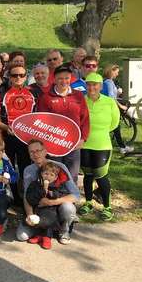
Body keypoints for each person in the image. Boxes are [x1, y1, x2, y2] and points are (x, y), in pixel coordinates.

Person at [16, 139, 79, 245]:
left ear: (45, 151)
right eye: (32, 152)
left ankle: (63, 231)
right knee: (21, 236)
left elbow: (75, 195)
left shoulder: (59, 167)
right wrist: (30, 215)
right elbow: (27, 196)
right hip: (38, 209)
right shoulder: (28, 170)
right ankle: (41, 230)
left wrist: (52, 202)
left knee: (68, 208)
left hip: (56, 207)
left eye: (38, 150)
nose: (35, 154)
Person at [0, 64, 37, 203]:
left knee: (26, 168)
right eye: (14, 75)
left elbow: (40, 116)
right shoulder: (2, 94)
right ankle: (14, 197)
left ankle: (27, 197)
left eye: (21, 75)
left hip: (27, 139)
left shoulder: (33, 93)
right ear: (9, 77)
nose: (18, 78)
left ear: (26, 77)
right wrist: (5, 127)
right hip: (9, 137)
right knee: (9, 167)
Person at [37, 65, 90, 182]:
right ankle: (55, 198)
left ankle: (71, 199)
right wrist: (46, 142)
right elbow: (42, 122)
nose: (64, 81)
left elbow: (85, 118)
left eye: (67, 78)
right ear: (54, 79)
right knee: (53, 173)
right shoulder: (46, 98)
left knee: (72, 175)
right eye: (60, 78)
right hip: (54, 143)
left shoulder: (78, 95)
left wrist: (83, 138)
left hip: (74, 143)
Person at [79, 73, 120, 221]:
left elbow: (115, 123)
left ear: (100, 86)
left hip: (102, 144)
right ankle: (88, 202)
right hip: (84, 144)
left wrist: (100, 132)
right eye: (89, 84)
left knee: (101, 175)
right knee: (88, 175)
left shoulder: (109, 102)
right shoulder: (81, 101)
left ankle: (107, 207)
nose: (92, 87)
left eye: (95, 84)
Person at [24, 162, 73, 250]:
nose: (48, 176)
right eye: (46, 173)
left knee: (48, 219)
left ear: (55, 177)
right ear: (41, 174)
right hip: (37, 208)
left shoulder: (57, 186)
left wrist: (52, 194)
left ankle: (47, 237)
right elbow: (29, 196)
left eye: (51, 175)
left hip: (51, 210)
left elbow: (62, 194)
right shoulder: (35, 184)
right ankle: (38, 235)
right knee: (36, 219)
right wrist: (40, 193)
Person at [102, 64, 133, 154]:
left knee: (115, 127)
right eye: (117, 72)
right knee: (114, 127)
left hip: (109, 108)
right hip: (108, 108)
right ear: (112, 71)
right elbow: (111, 98)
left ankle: (121, 146)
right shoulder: (108, 83)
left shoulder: (109, 82)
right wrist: (121, 106)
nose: (117, 74)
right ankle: (121, 147)